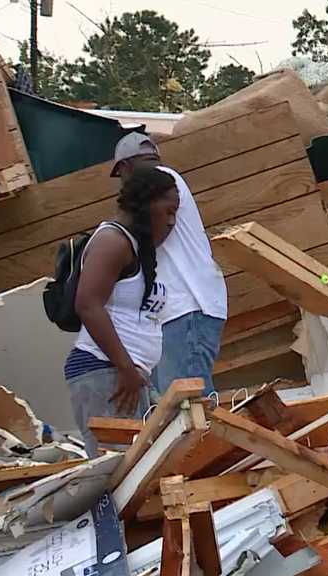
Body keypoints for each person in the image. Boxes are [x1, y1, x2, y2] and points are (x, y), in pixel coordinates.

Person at [65, 168, 177, 457]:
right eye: (168, 211)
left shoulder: (136, 247)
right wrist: (126, 368)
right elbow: (88, 304)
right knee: (117, 474)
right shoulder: (113, 242)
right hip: (105, 371)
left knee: (139, 469)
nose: (171, 221)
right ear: (147, 203)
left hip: (125, 375)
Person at [111, 133, 228, 396]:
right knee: (178, 402)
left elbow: (145, 238)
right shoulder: (164, 184)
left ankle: (210, 439)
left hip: (187, 306)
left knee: (188, 403)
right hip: (181, 309)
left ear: (125, 167)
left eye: (121, 177)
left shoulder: (163, 183)